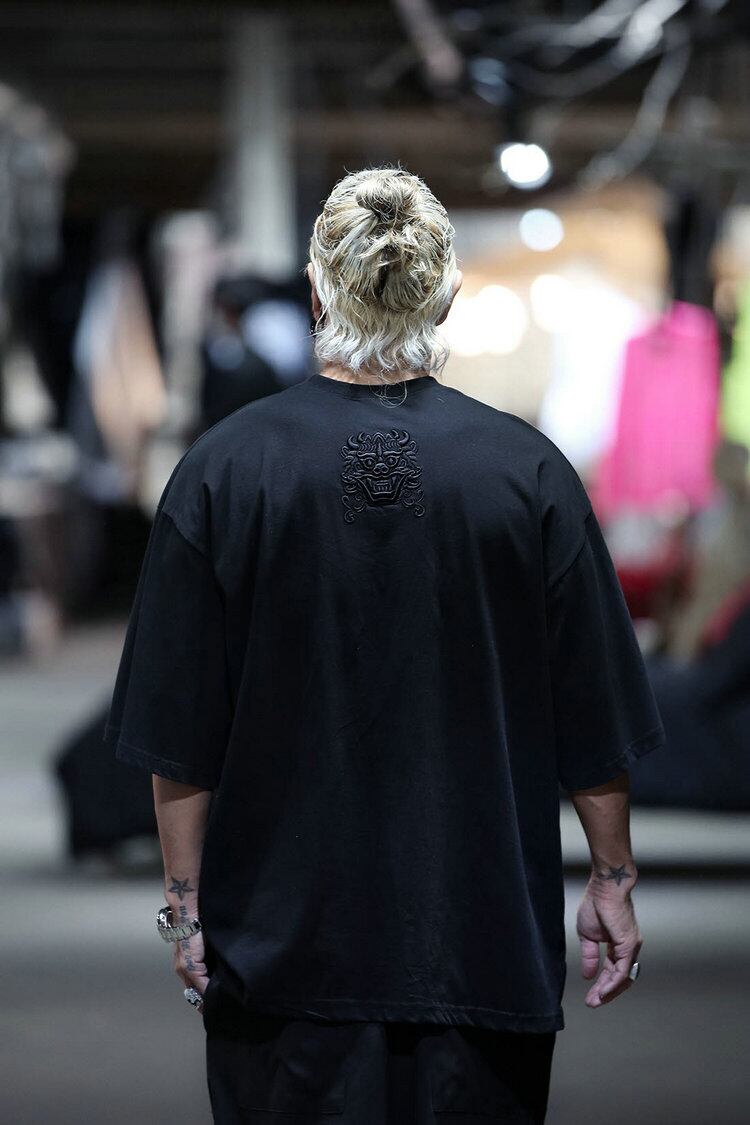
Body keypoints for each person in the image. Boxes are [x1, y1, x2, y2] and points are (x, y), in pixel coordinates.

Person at [104, 167, 665, 1124]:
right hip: (482, 951)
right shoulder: (530, 474)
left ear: (317, 292)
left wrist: (184, 904)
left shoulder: (223, 471)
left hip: (281, 959)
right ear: (446, 294)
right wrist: (611, 878)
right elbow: (594, 715)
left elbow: (179, 728)